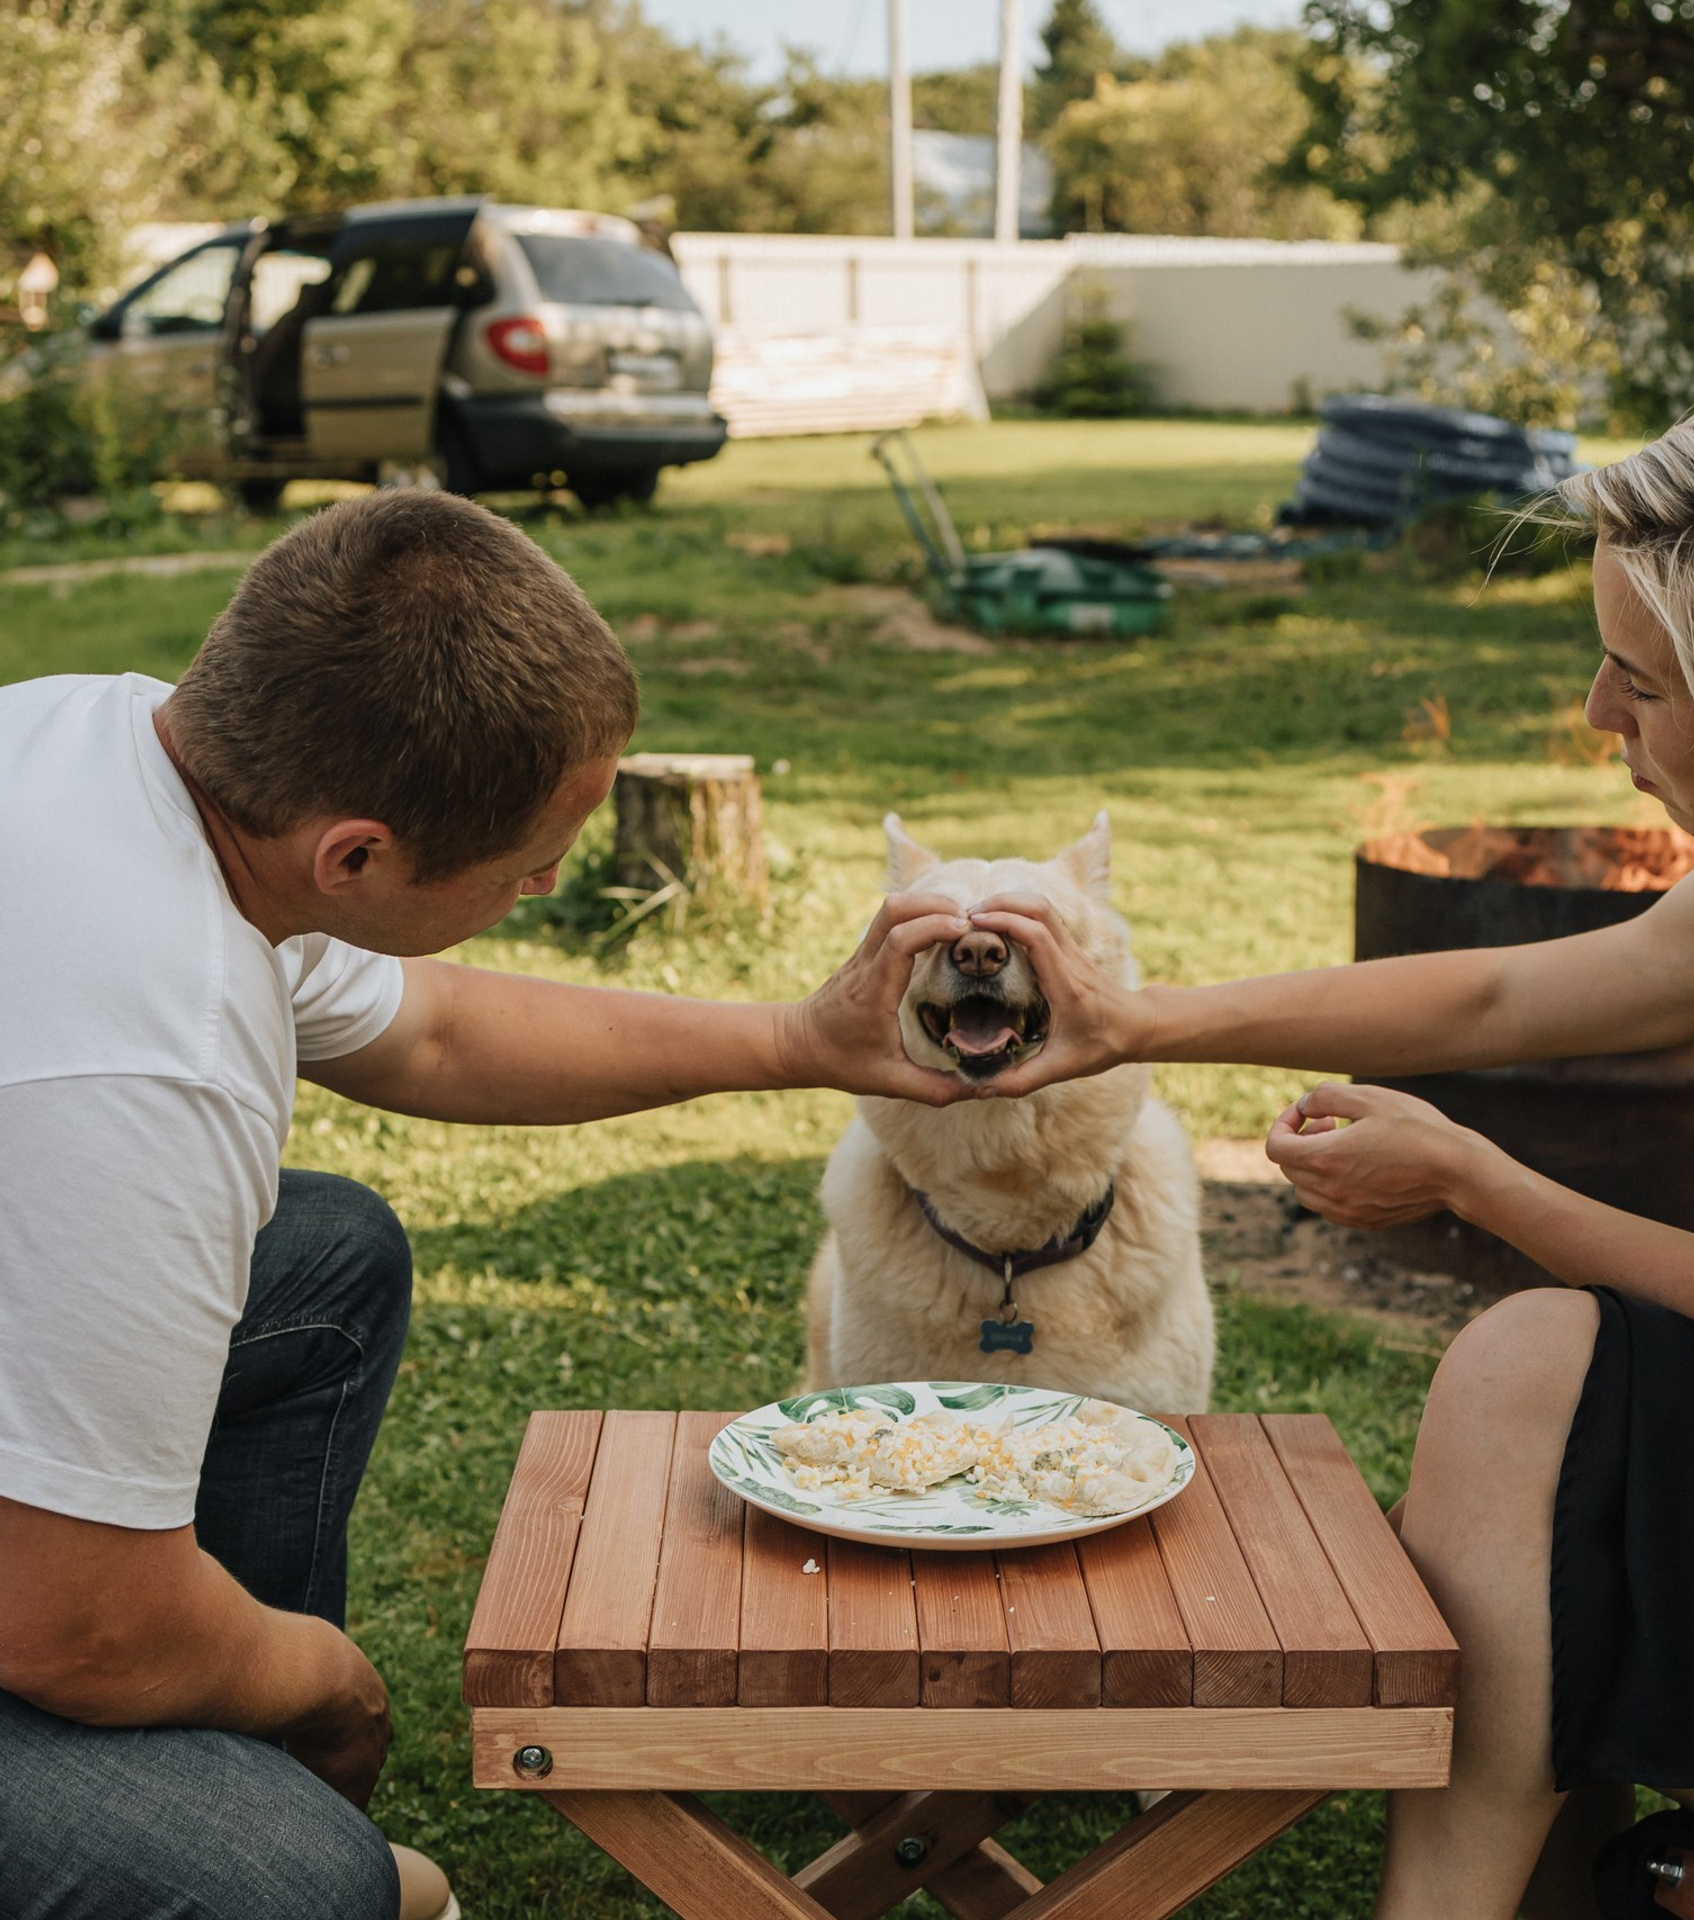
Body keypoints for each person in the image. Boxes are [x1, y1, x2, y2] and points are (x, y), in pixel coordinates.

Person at [968, 368, 1694, 1918]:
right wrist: (1134, 1021)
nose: (1601, 713)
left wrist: (1472, 1178)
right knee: (1535, 1406)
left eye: (1644, 684)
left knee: (1530, 1392)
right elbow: (1493, 989)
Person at [0, 489, 974, 1920]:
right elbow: (73, 1619)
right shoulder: (152, 1058)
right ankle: (231, 1793)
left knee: (323, 1258)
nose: (553, 879)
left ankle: (205, 1755)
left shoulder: (107, 746)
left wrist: (794, 1041)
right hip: (54, 1596)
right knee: (294, 1885)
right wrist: (322, 1688)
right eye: (529, 863)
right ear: (358, 857)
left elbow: (433, 1032)